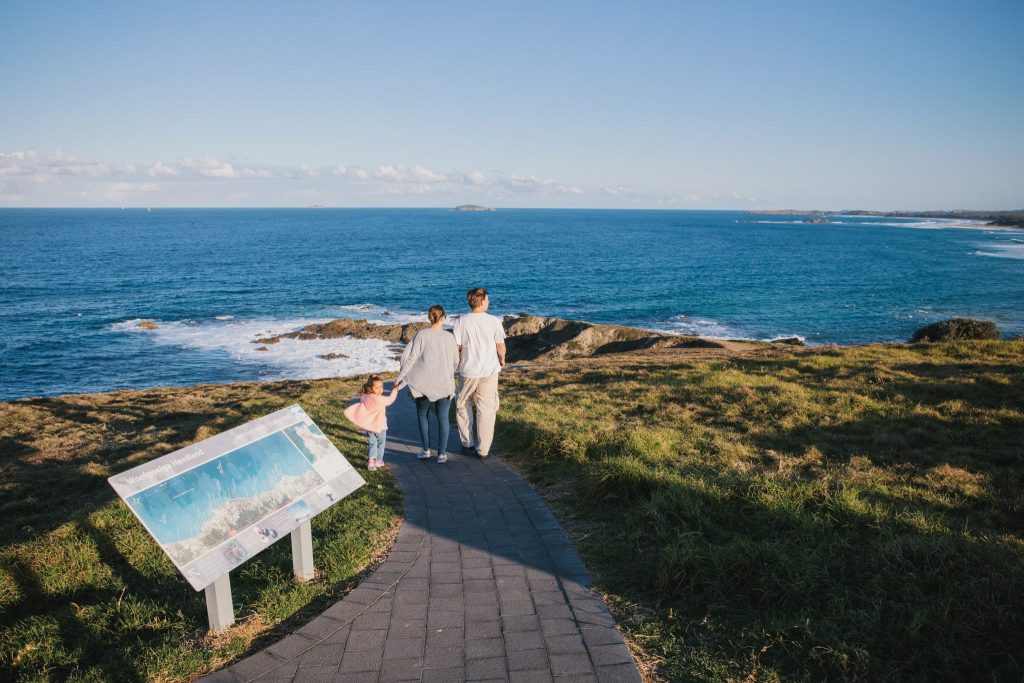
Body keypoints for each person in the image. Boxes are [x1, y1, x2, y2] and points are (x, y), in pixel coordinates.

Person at [396, 305, 459, 463]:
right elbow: (455, 361)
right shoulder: (449, 337)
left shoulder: (421, 334)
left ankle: (426, 450)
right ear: (443, 317)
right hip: (444, 383)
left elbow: (411, 358)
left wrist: (400, 378)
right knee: (443, 418)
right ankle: (442, 454)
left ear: (429, 318)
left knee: (422, 414)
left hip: (423, 382)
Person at [453, 287, 506, 458]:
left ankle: (467, 443)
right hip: (489, 370)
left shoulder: (461, 321)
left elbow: (457, 346)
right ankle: (483, 450)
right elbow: (500, 345)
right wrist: (502, 359)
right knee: (486, 409)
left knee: (462, 403)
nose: (489, 302)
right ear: (482, 301)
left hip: (468, 370)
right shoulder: (494, 321)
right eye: (488, 300)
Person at [343, 374, 402, 471]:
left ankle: (371, 462)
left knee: (372, 443)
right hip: (381, 426)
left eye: (381, 387)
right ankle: (378, 461)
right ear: (370, 388)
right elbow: (390, 400)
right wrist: (395, 389)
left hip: (369, 426)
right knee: (381, 443)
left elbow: (363, 399)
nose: (380, 390)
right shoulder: (379, 399)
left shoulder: (365, 396)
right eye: (376, 388)